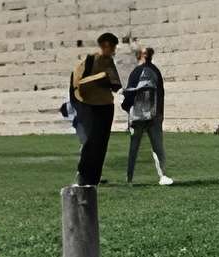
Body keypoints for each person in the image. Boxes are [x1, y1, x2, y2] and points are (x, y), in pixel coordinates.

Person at [69, 33, 121, 188]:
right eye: (112, 47)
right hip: (90, 106)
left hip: (106, 105)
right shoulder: (90, 60)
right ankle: (83, 176)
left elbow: (116, 85)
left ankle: (94, 178)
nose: (113, 50)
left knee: (102, 144)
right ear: (105, 45)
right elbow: (78, 83)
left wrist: (108, 80)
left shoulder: (109, 62)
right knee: (90, 142)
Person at [122, 41, 173, 186]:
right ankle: (134, 177)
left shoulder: (138, 72)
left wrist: (127, 109)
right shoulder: (153, 71)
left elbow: (130, 95)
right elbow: (160, 94)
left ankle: (132, 179)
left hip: (144, 116)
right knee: (148, 147)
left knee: (141, 148)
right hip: (149, 115)